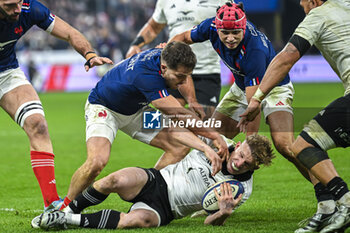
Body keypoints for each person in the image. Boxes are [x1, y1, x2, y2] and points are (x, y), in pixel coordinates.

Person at [53, 42, 229, 217]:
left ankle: (148, 194)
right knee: (96, 162)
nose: (183, 81)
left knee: (179, 147)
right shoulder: (146, 76)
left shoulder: (166, 54)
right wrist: (210, 139)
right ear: (163, 67)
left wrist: (192, 100)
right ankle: (64, 208)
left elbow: (182, 85)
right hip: (104, 109)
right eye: (180, 76)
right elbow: (179, 115)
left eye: (187, 76)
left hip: (137, 112)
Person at [238, 0, 350, 232]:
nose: (300, 3)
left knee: (303, 144)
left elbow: (286, 58)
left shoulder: (317, 16)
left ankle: (345, 202)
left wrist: (257, 98)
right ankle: (328, 208)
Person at [169, 2, 311, 180]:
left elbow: (253, 105)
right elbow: (183, 37)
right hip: (242, 86)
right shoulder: (210, 26)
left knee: (285, 145)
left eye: (235, 32)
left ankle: (325, 189)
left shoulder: (254, 51)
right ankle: (207, 188)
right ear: (217, 28)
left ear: (243, 28)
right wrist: (166, 51)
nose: (230, 38)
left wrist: (248, 144)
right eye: (225, 33)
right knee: (211, 139)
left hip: (275, 89)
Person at [0, 0, 112, 211]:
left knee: (37, 124)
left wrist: (89, 54)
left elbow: (69, 32)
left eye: (18, 3)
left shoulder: (30, 9)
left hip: (6, 73)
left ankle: (52, 204)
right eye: (9, 5)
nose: (17, 9)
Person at [34, 132, 275, 230]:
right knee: (113, 179)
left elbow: (209, 224)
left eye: (248, 164)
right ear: (240, 144)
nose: (239, 163)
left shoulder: (241, 190)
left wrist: (224, 212)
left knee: (135, 220)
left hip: (166, 209)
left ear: (256, 167)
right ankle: (69, 207)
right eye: (241, 155)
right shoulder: (217, 140)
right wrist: (204, 145)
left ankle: (66, 220)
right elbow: (178, 130)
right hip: (156, 179)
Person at [125, 0, 227, 120]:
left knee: (205, 122)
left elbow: (232, 28)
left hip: (206, 69)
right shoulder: (165, 1)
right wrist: (136, 45)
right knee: (170, 122)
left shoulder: (221, 1)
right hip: (173, 69)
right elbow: (153, 27)